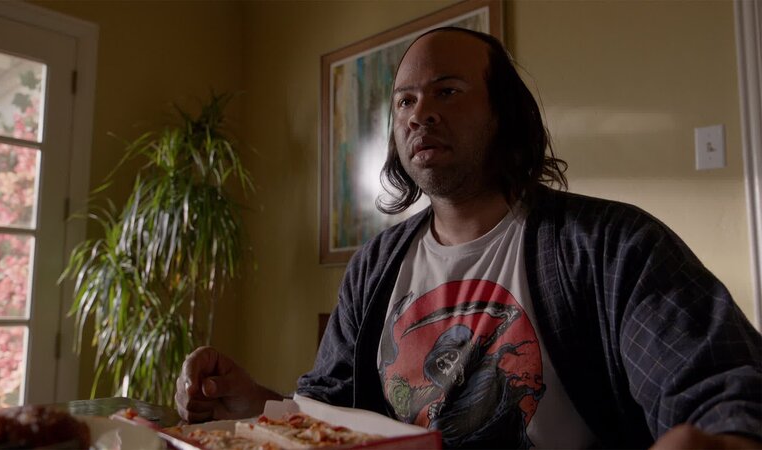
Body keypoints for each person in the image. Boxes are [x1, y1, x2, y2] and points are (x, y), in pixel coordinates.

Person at [175, 27, 762, 449]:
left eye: (448, 91)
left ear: (504, 115)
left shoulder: (613, 246)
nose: (419, 114)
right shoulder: (375, 265)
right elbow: (330, 415)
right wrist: (254, 404)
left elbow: (724, 390)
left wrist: (723, 438)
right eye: (405, 101)